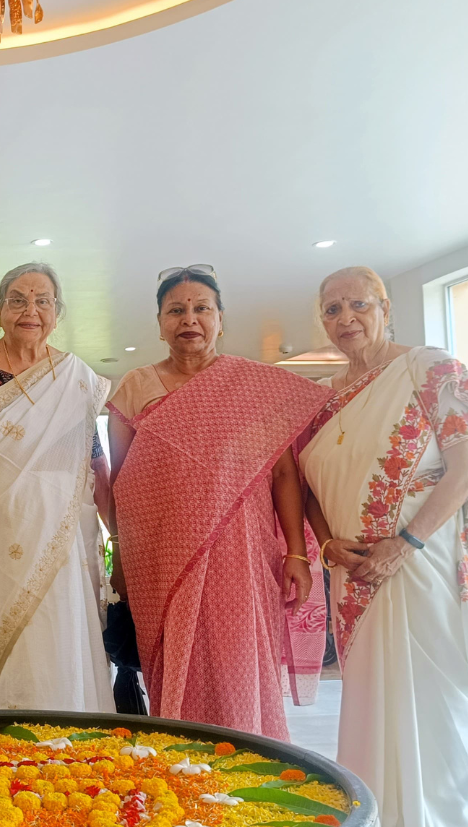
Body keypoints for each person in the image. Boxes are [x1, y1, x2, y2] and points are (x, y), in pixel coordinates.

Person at [300, 267, 468, 827]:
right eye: (331, 309)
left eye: (357, 304)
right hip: (355, 578)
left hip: (424, 566)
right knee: (372, 707)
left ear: (385, 307)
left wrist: (406, 542)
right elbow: (307, 488)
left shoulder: (430, 370)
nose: (345, 319)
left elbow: (465, 465)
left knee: (443, 707)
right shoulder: (328, 398)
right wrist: (328, 543)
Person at [107, 265, 331, 739]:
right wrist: (121, 558)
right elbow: (123, 487)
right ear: (161, 322)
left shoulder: (255, 387)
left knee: (240, 661)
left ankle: (249, 753)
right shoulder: (134, 388)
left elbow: (284, 474)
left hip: (243, 554)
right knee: (173, 664)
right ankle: (181, 765)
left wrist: (295, 550)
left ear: (221, 318)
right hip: (162, 556)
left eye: (201, 308)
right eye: (176, 310)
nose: (189, 319)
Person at [0, 262, 115, 713]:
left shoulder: (76, 378)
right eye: (17, 299)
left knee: (60, 638)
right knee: (10, 651)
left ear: (58, 312)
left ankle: (67, 746)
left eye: (42, 301)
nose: (29, 310)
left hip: (61, 546)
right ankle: (11, 751)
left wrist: (120, 543)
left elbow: (95, 463)